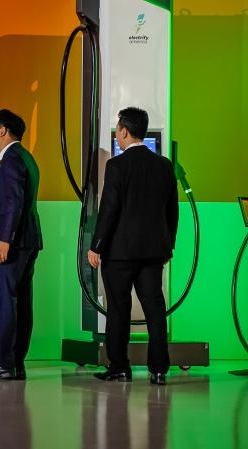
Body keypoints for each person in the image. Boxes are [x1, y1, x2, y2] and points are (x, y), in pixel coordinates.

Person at [87, 107, 178, 385]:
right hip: (154, 253)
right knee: (155, 309)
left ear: (124, 132)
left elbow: (109, 210)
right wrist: (167, 247)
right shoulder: (164, 165)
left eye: (117, 129)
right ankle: (160, 369)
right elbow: (172, 211)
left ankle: (120, 367)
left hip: (119, 253)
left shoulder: (116, 166)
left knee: (118, 309)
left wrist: (96, 246)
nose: (117, 133)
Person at [0, 109, 42, 381]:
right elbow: (17, 194)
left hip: (14, 241)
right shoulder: (24, 157)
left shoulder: (10, 159)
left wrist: (4, 239)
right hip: (28, 240)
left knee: (5, 302)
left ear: (3, 131)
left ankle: (2, 364)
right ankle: (16, 363)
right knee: (22, 303)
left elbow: (13, 203)